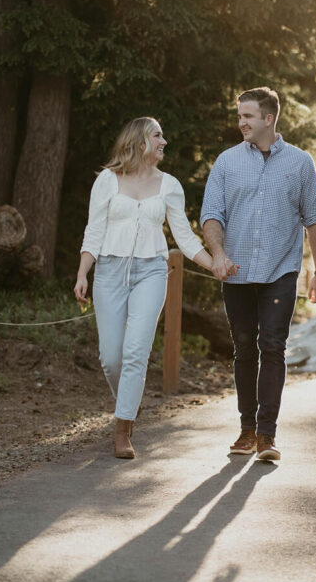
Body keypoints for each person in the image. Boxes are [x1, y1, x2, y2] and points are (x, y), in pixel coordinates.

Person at [74, 116, 214, 459]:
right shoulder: (108, 180)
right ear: (139, 142)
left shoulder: (169, 185)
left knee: (136, 351)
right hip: (109, 272)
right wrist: (82, 274)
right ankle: (129, 402)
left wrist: (214, 265)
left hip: (151, 271)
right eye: (158, 136)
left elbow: (183, 235)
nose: (164, 141)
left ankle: (123, 428)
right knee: (111, 357)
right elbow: (94, 230)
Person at [201, 87, 316, 462]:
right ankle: (246, 430)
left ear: (268, 119)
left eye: (248, 116)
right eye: (239, 116)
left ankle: (267, 436)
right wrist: (219, 254)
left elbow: (315, 220)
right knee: (243, 349)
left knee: (272, 346)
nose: (241, 122)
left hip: (280, 271)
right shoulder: (226, 162)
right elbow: (211, 214)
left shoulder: (300, 163)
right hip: (236, 272)